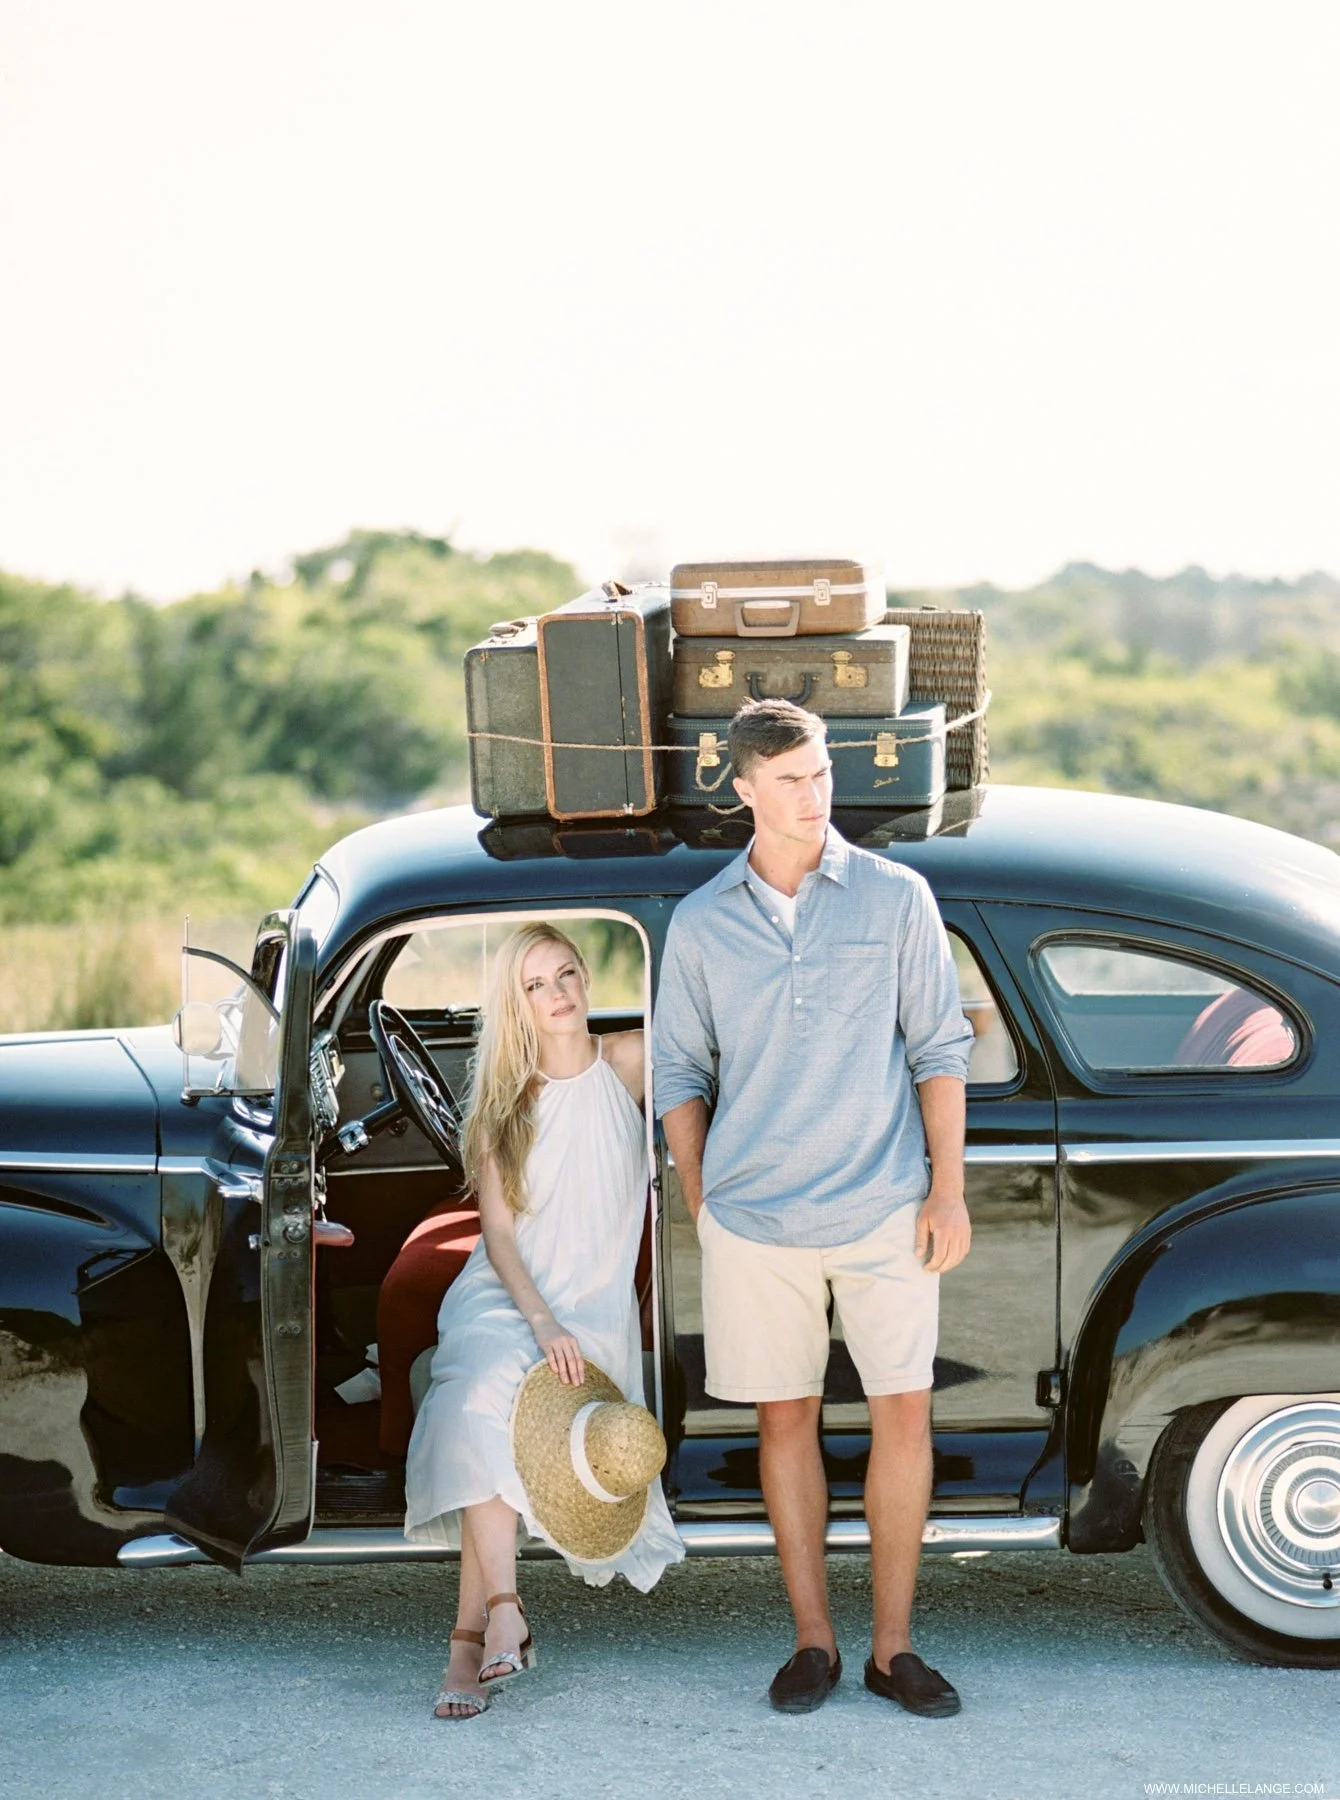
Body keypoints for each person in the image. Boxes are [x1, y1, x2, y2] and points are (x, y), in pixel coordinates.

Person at [652, 697, 974, 1718]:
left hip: (884, 1206)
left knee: (901, 1413)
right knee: (783, 1420)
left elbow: (938, 1049)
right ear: (741, 789)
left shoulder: (895, 898)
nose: (812, 796)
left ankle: (891, 1649)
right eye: (789, 781)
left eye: (821, 774)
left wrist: (945, 1190)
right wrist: (705, 1203)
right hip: (753, 1224)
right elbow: (674, 1071)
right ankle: (812, 1643)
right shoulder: (700, 920)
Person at [403, 922, 684, 1718]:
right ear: (516, 1003)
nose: (556, 994)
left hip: (591, 1303)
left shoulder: (628, 1062)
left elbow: (721, 1026)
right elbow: (496, 1236)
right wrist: (541, 1322)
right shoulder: (505, 1101)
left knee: (491, 1407)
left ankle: (473, 1639)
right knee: (484, 1384)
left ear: (587, 978)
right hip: (512, 1292)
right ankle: (503, 1612)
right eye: (535, 985)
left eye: (565, 974)